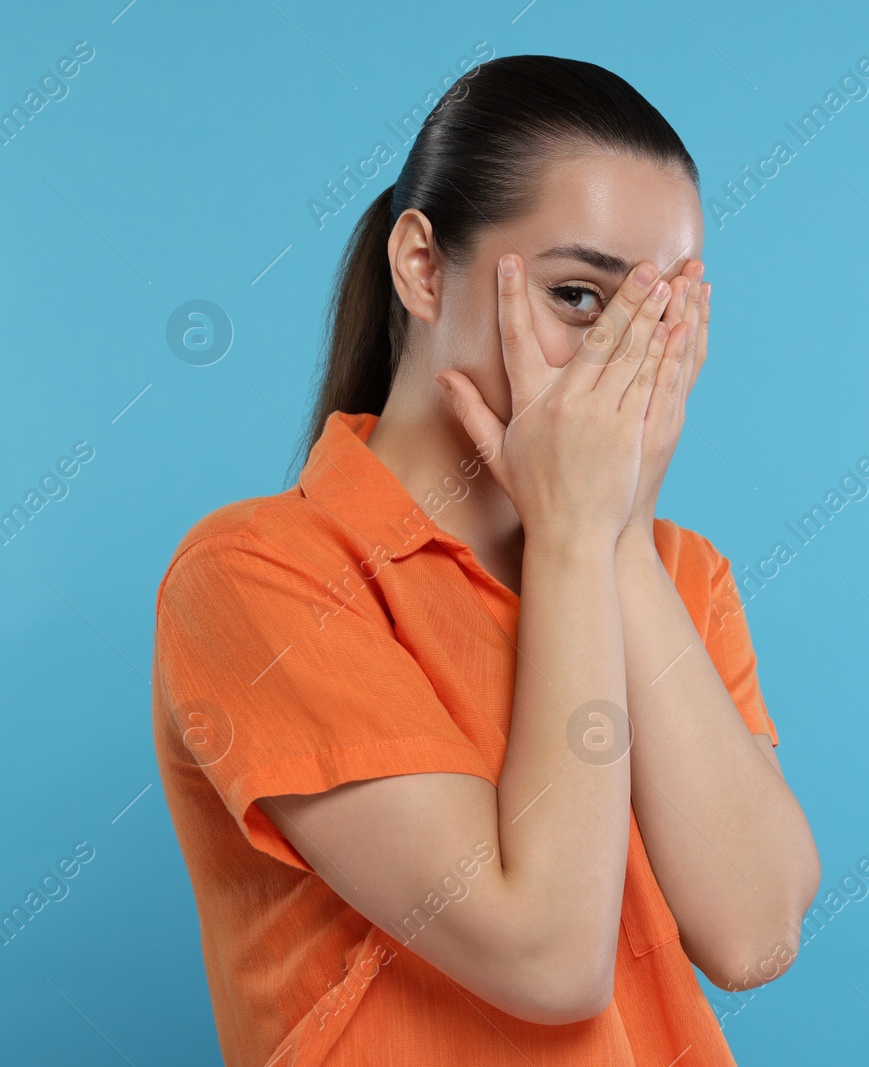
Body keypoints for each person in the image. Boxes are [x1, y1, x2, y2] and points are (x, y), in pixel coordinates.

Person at [151, 54, 820, 1066]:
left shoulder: (682, 575)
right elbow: (546, 958)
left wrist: (615, 539)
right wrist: (569, 538)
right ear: (422, 265)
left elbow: (753, 933)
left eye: (660, 315)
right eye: (582, 298)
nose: (620, 361)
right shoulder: (256, 575)